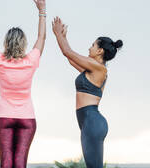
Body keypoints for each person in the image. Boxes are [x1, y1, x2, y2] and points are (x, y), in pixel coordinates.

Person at [0, 0, 46, 168]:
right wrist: (42, 12)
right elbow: (41, 38)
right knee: (20, 161)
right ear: (23, 44)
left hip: (4, 117)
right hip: (27, 118)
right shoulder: (31, 61)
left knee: (6, 161)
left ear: (6, 43)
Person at [52, 16, 123, 168]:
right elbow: (70, 59)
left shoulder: (99, 68)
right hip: (88, 122)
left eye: (92, 45)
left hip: (92, 121)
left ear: (100, 51)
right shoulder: (92, 69)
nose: (89, 48)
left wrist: (58, 34)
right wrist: (63, 37)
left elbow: (67, 52)